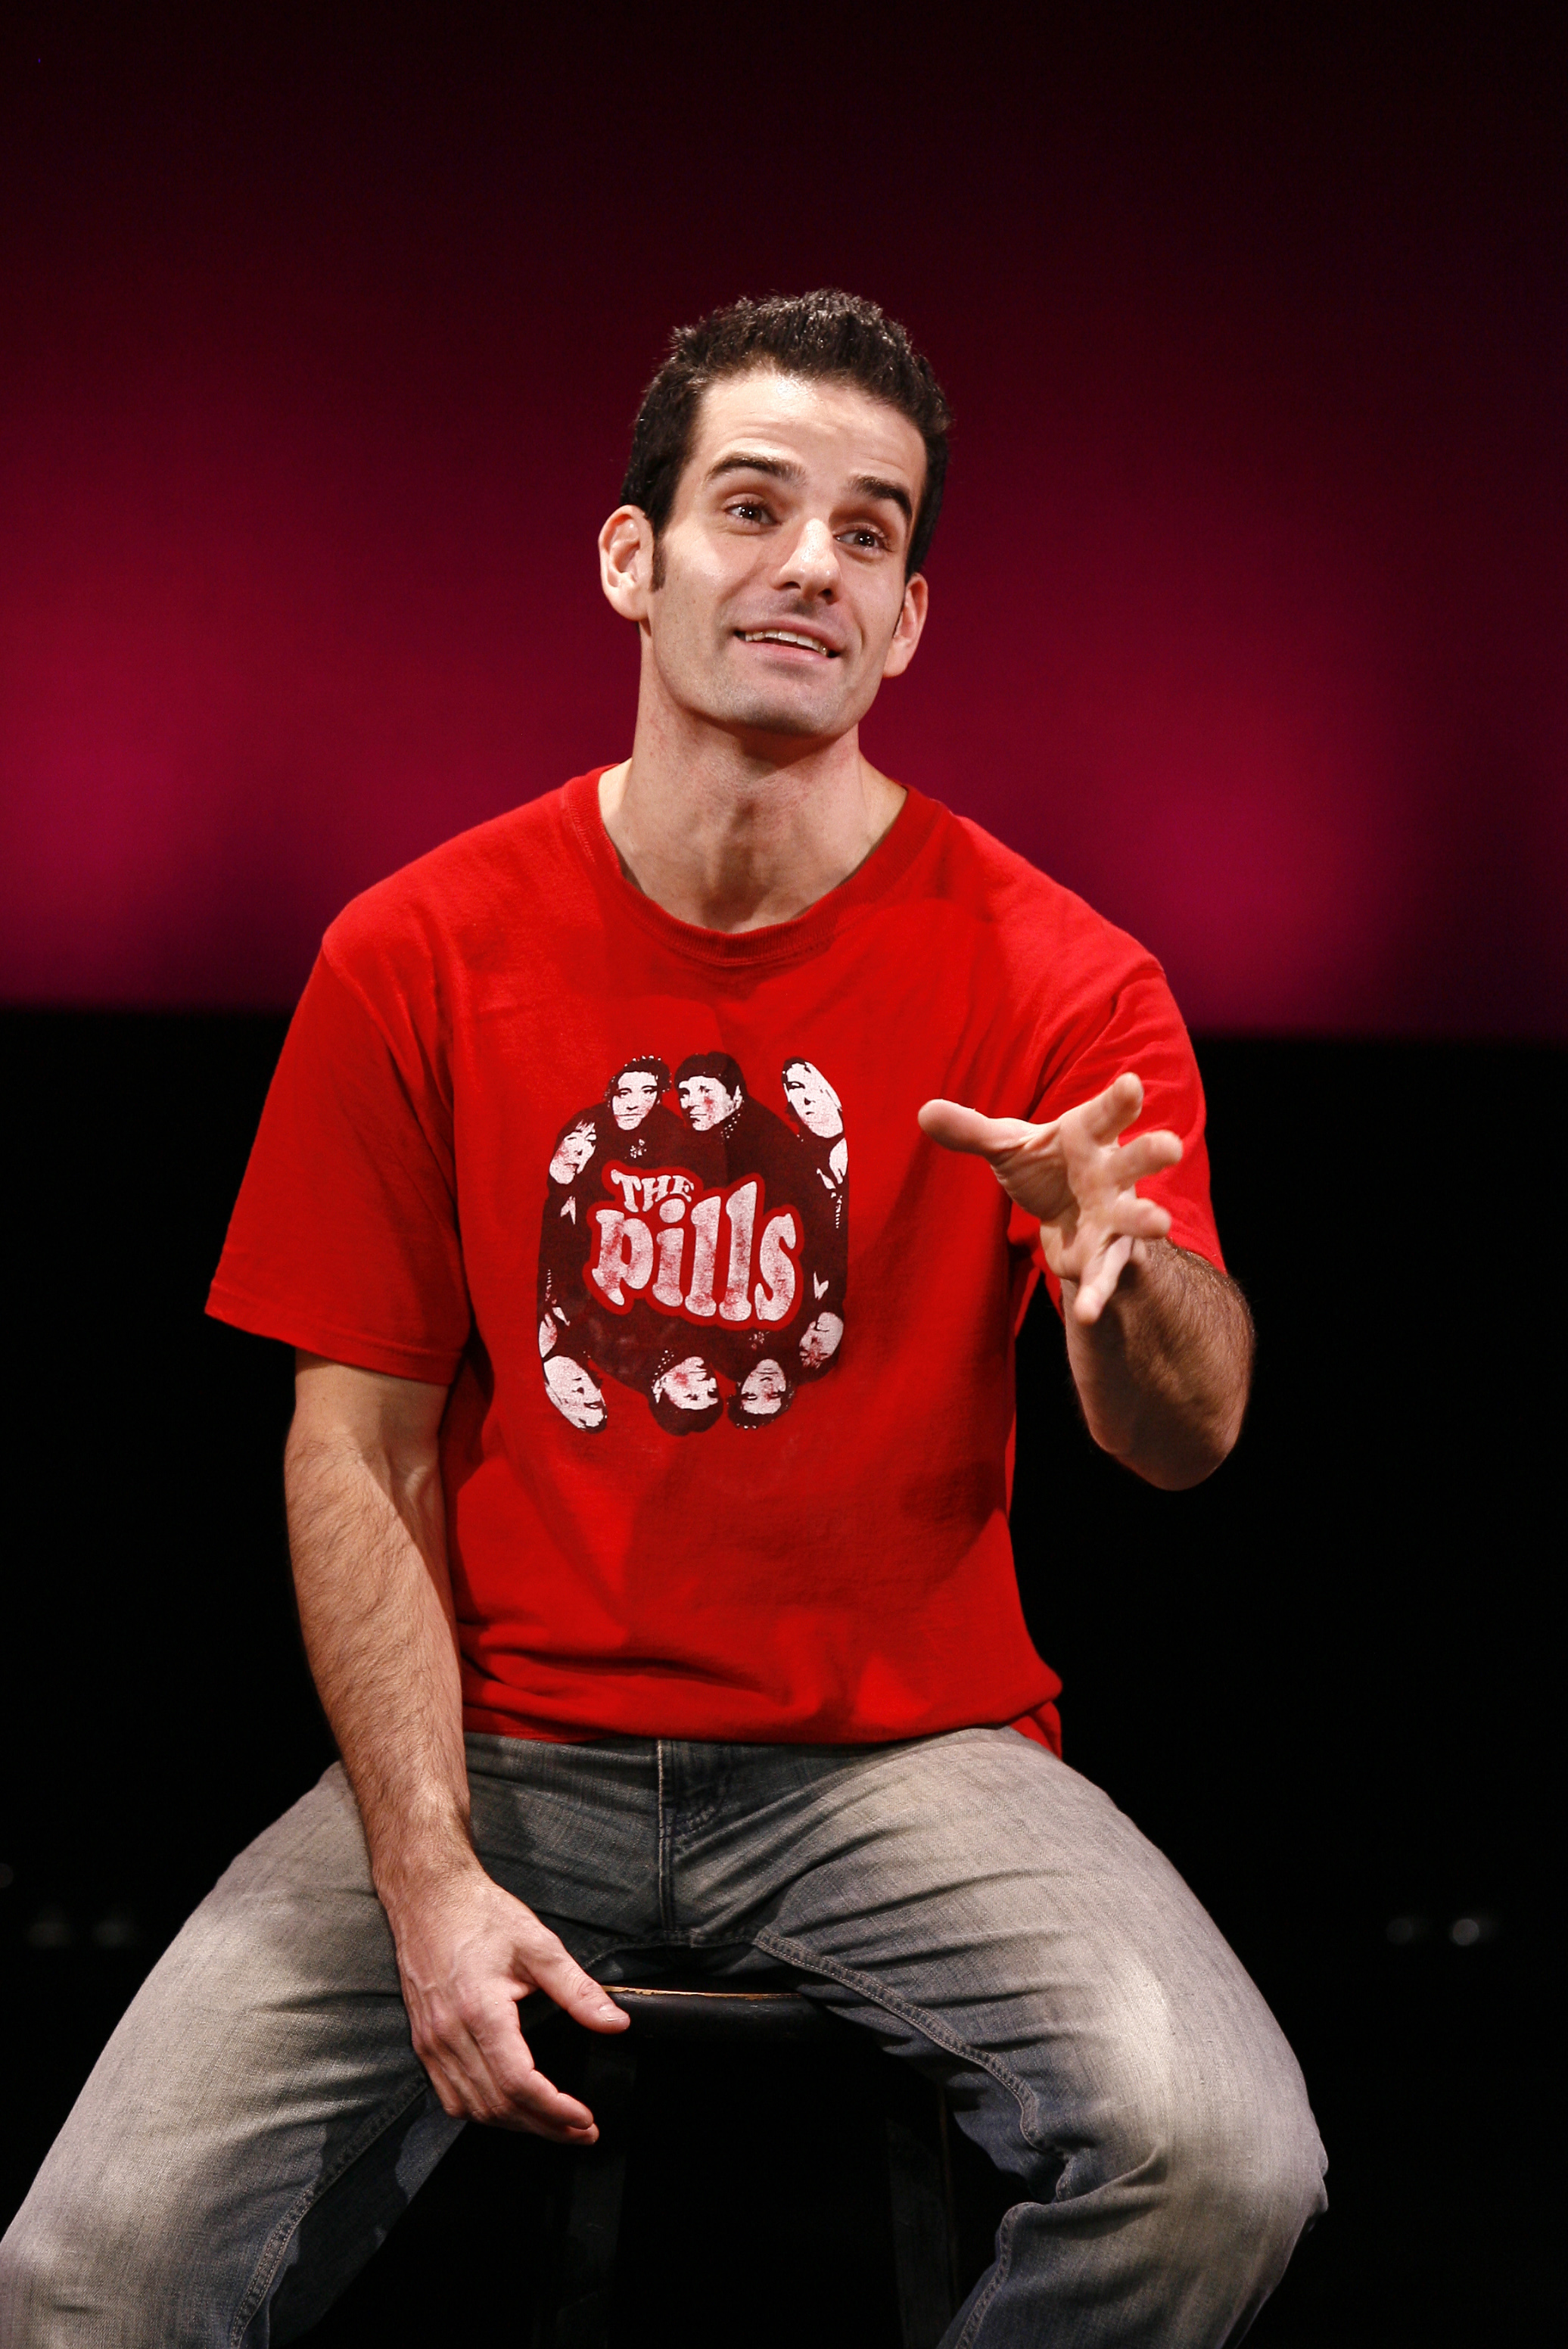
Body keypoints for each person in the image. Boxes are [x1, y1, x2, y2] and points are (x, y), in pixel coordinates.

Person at [0, 289, 1325, 2346]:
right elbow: (356, 1445)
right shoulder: (417, 952)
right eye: (754, 508)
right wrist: (427, 1876)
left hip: (897, 1761)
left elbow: (1187, 1435)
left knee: (1223, 2158)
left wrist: (1119, 1277)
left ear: (908, 622)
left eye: (870, 534)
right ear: (635, 558)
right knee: (84, 2267)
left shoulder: (1066, 981)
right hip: (503, 1743)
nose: (813, 565)